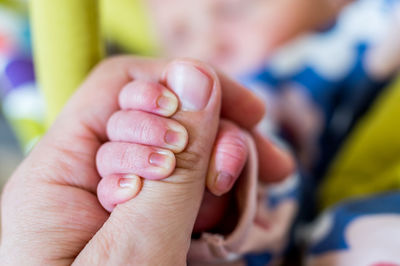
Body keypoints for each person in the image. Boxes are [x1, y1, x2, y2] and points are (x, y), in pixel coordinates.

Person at [0, 57, 294, 265]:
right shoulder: (173, 100)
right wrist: (202, 212)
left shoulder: (304, 68)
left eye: (236, 8)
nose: (212, 35)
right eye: (180, 32)